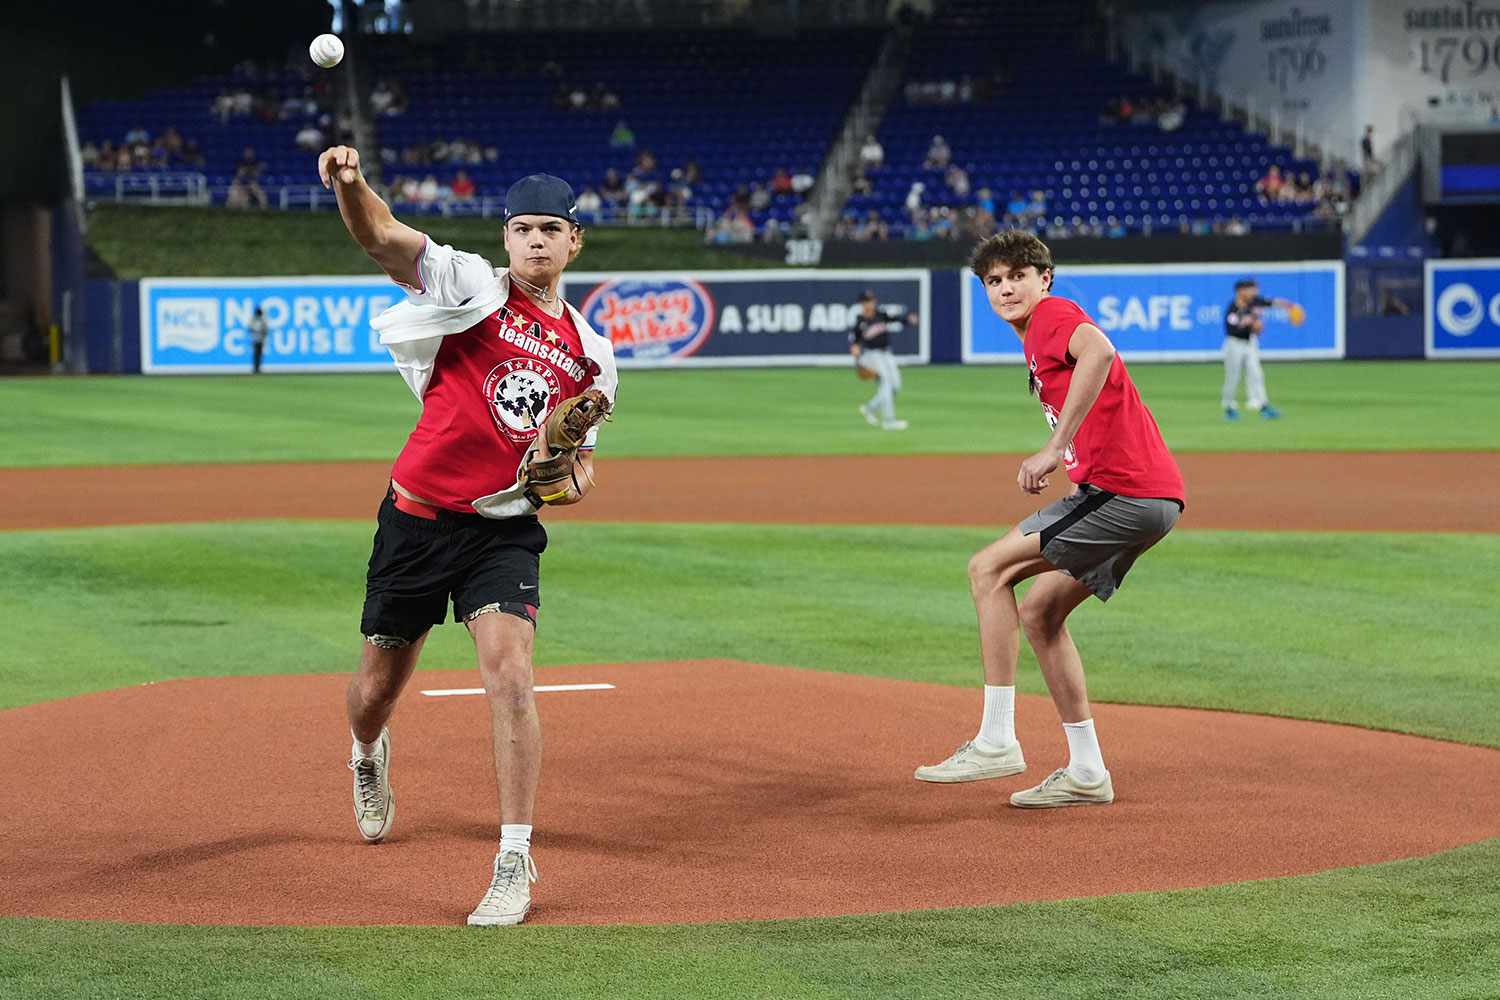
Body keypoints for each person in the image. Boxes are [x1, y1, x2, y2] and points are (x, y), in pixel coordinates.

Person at [318, 144, 619, 927]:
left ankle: (514, 859)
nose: (536, 242)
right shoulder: (473, 287)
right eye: (522, 229)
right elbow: (383, 237)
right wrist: (352, 185)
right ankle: (365, 751)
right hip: (416, 520)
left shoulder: (594, 355)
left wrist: (564, 470)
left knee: (511, 676)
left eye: (551, 229)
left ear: (575, 240)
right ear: (506, 237)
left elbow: (579, 474)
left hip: (503, 532)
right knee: (375, 691)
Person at [914, 230, 1185, 807]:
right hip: (1144, 498)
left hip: (1123, 494)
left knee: (987, 570)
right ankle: (1087, 772)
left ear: (1046, 278)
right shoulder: (1038, 334)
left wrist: (1052, 446)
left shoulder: (1052, 318)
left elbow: (1101, 351)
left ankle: (996, 739)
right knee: (1039, 612)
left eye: (1018, 275)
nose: (1007, 287)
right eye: (994, 280)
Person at [1222, 278, 1291, 420]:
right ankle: (1229, 408)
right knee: (1232, 377)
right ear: (1240, 291)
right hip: (1234, 344)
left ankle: (1264, 406)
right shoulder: (1232, 309)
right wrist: (1250, 324)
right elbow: (1232, 329)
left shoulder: (1253, 301)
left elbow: (1271, 302)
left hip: (1250, 343)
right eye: (1250, 289)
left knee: (1257, 374)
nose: (1254, 292)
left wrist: (1289, 306)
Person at [849, 289, 917, 431]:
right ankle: (889, 421)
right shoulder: (859, 322)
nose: (870, 303)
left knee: (896, 386)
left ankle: (870, 408)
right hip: (871, 356)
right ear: (862, 304)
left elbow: (896, 319)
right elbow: (854, 346)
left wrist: (908, 320)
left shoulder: (880, 314)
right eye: (867, 301)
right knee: (886, 384)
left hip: (887, 354)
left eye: (872, 300)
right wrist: (858, 364)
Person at [248, 306, 268, 373]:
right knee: (257, 354)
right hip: (257, 339)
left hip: (258, 339)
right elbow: (250, 329)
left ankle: (257, 368)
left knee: (258, 354)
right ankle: (256, 368)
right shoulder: (256, 320)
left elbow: (265, 331)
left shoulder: (259, 320)